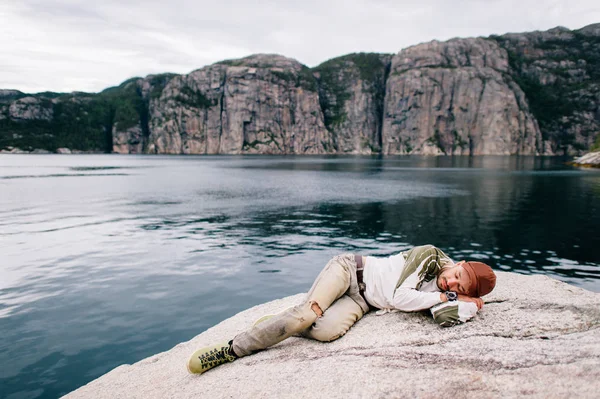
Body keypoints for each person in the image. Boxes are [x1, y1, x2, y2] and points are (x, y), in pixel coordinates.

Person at [187, 244, 496, 374]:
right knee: (308, 314)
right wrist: (446, 299)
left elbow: (444, 318)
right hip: (350, 270)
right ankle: (233, 349)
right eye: (456, 275)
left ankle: (279, 324)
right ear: (459, 263)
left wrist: (472, 304)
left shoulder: (448, 293)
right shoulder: (430, 257)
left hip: (362, 301)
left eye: (459, 288)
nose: (450, 284)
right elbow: (402, 298)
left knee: (323, 331)